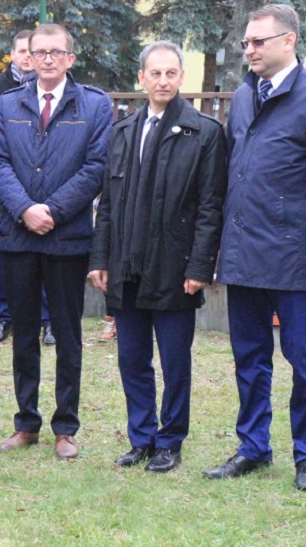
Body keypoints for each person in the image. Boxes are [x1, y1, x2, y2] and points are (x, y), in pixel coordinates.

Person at [202, 4, 306, 491]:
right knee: (249, 358)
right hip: (244, 254)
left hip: (293, 257)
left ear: (288, 41)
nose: (249, 50)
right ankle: (253, 447)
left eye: (258, 42)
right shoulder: (245, 96)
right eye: (246, 42)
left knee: (304, 361)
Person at [88, 41, 227, 473]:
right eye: (155, 73)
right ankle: (142, 438)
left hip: (175, 269)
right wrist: (101, 259)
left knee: (174, 361)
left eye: (171, 73)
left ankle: (171, 441)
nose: (163, 81)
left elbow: (210, 206)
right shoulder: (124, 131)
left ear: (181, 77)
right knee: (132, 358)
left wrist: (200, 266)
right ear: (142, 79)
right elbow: (107, 203)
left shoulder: (203, 132)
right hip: (126, 268)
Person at [0, 23, 111, 460]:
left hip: (68, 237)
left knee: (66, 332)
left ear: (70, 59)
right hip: (18, 235)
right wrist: (25, 209)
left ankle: (66, 427)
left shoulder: (95, 105)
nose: (46, 60)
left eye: (56, 53)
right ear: (28, 56)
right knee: (22, 332)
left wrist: (53, 211)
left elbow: (96, 167)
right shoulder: (9, 104)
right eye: (39, 52)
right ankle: (26, 424)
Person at [0, 30, 55, 347]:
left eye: (32, 51)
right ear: (12, 54)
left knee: (47, 260)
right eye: (22, 51)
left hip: (44, 194)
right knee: (3, 259)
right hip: (5, 192)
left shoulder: (52, 89)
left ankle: (47, 320)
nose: (28, 56)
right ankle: (4, 317)